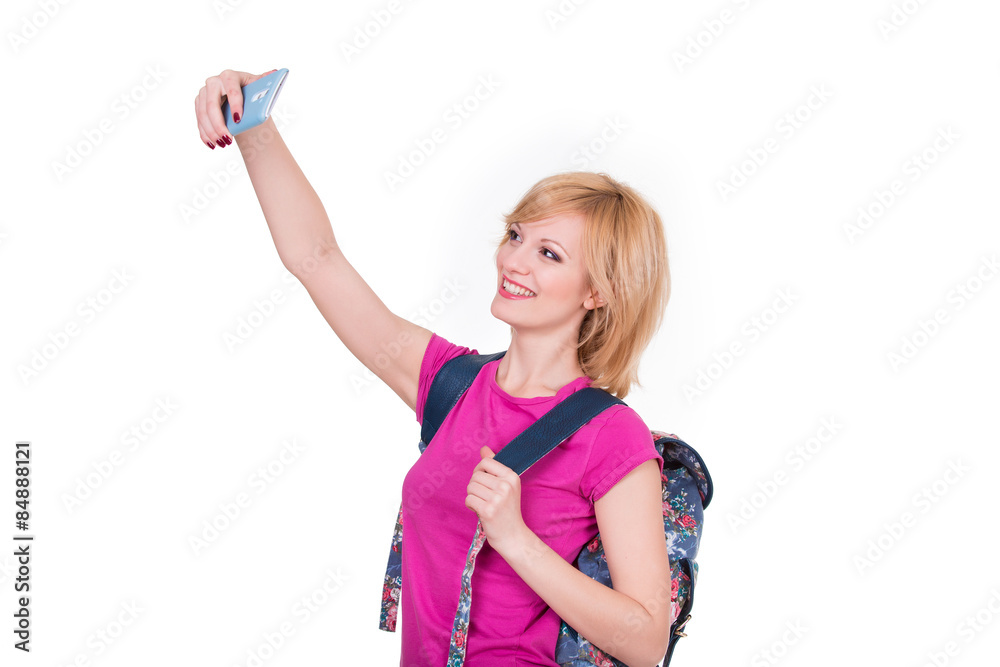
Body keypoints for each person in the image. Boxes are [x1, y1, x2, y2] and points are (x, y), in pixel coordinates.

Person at [194, 68, 674, 667]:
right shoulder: (451, 383)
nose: (514, 260)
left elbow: (648, 638)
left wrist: (515, 539)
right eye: (516, 235)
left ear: (597, 293)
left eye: (548, 254)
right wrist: (255, 127)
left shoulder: (609, 434)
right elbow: (316, 260)